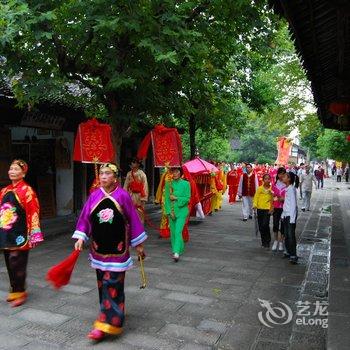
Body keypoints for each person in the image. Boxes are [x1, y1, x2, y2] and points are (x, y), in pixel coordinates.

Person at [73, 163, 147, 341]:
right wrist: (81, 237)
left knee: (111, 284)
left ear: (115, 177)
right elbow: (85, 218)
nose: (103, 176)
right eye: (102, 173)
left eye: (108, 173)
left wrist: (138, 244)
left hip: (118, 249)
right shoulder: (94, 196)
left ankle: (108, 322)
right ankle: (111, 312)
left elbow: (133, 220)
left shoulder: (123, 196)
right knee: (102, 284)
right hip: (99, 249)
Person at [0, 159, 43, 307]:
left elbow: (33, 212)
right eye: (11, 169)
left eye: (16, 169)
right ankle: (14, 290)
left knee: (17, 262)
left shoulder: (27, 191)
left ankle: (21, 291)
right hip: (6, 232)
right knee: (9, 262)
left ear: (23, 173)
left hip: (20, 233)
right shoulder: (4, 190)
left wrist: (35, 233)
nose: (12, 171)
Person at [164, 167, 190, 262]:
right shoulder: (168, 184)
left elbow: (187, 198)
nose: (174, 173)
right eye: (173, 171)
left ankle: (176, 252)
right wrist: (168, 211)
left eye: (176, 171)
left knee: (178, 231)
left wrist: (176, 198)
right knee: (173, 232)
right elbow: (166, 199)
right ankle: (179, 247)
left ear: (180, 173)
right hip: (171, 211)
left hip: (182, 211)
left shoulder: (186, 184)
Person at [123, 158, 148, 222]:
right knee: (131, 211)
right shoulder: (129, 173)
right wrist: (124, 195)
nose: (132, 164)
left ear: (138, 164)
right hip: (131, 194)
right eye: (132, 162)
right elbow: (126, 185)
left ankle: (140, 228)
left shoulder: (142, 174)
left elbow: (145, 185)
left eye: (134, 162)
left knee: (140, 211)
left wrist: (144, 197)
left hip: (140, 195)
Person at [281, 171, 298, 264]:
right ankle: (288, 251)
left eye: (285, 177)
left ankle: (293, 255)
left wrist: (292, 218)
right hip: (286, 214)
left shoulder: (291, 189)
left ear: (289, 179)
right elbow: (286, 204)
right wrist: (283, 214)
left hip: (291, 215)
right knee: (286, 235)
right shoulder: (287, 188)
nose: (283, 178)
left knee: (291, 235)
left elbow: (293, 205)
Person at [253, 174, 274, 248]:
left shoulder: (272, 189)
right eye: (265, 179)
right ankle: (263, 241)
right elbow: (256, 197)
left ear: (270, 180)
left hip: (267, 209)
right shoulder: (259, 188)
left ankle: (268, 240)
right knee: (261, 226)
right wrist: (255, 205)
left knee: (265, 224)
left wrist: (271, 208)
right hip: (259, 208)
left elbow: (273, 199)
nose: (267, 180)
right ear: (263, 180)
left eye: (268, 179)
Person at [271, 167, 287, 252]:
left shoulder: (287, 185)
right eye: (280, 173)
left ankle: (281, 242)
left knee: (283, 226)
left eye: (283, 174)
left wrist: (283, 199)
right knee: (275, 224)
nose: (281, 175)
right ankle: (276, 241)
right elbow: (272, 197)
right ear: (277, 174)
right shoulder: (274, 185)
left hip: (284, 208)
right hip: (276, 207)